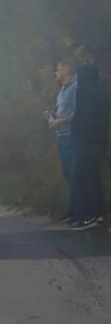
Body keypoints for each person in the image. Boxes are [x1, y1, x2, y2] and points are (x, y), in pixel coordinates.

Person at [70, 65, 109, 230]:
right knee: (94, 177)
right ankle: (99, 213)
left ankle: (88, 215)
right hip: (99, 142)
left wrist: (75, 134)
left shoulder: (83, 95)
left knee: (79, 176)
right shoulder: (103, 95)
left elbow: (80, 118)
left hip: (84, 141)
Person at [47, 60, 79, 223]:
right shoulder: (63, 89)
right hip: (62, 136)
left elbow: (79, 113)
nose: (56, 72)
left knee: (75, 175)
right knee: (68, 175)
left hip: (72, 136)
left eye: (58, 69)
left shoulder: (76, 87)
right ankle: (73, 210)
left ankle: (80, 212)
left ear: (67, 69)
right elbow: (64, 111)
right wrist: (54, 117)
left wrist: (61, 121)